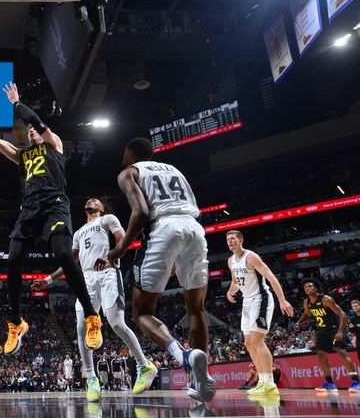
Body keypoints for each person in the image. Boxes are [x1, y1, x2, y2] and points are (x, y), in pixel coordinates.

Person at [0, 84, 100, 355]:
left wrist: (17, 103)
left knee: (64, 253)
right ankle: (17, 322)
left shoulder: (55, 145)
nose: (31, 131)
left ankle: (91, 316)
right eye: (28, 131)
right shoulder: (23, 156)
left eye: (34, 130)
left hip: (54, 203)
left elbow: (36, 121)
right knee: (14, 259)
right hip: (29, 208)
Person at [105, 137, 216, 402]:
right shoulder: (174, 170)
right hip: (194, 228)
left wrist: (119, 250)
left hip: (163, 228)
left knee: (141, 312)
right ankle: (200, 380)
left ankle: (183, 355)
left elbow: (141, 211)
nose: (122, 159)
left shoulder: (129, 172)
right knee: (197, 310)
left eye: (123, 153)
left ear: (131, 154)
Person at [32, 197, 157, 401]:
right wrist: (48, 280)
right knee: (81, 327)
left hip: (108, 273)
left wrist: (111, 255)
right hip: (87, 279)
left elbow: (123, 239)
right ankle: (91, 377)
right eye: (88, 199)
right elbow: (71, 262)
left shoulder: (107, 219)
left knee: (116, 323)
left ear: (101, 208)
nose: (90, 199)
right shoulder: (79, 232)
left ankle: (145, 366)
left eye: (96, 200)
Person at [225, 230, 294, 396]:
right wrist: (230, 291)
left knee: (257, 340)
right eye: (228, 239)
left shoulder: (251, 257)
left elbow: (271, 277)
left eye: (233, 238)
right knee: (248, 343)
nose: (230, 241)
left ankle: (269, 383)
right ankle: (262, 381)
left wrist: (282, 300)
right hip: (247, 302)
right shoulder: (230, 261)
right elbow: (235, 281)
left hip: (261, 299)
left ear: (241, 240)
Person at [293, 278, 360, 393]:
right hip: (322, 331)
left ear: (316, 288)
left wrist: (340, 331)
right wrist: (299, 322)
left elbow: (342, 315)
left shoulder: (326, 299)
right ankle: (330, 383)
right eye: (305, 288)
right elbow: (307, 314)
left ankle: (356, 382)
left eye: (310, 286)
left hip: (334, 329)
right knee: (321, 355)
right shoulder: (306, 302)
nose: (307, 289)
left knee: (342, 352)